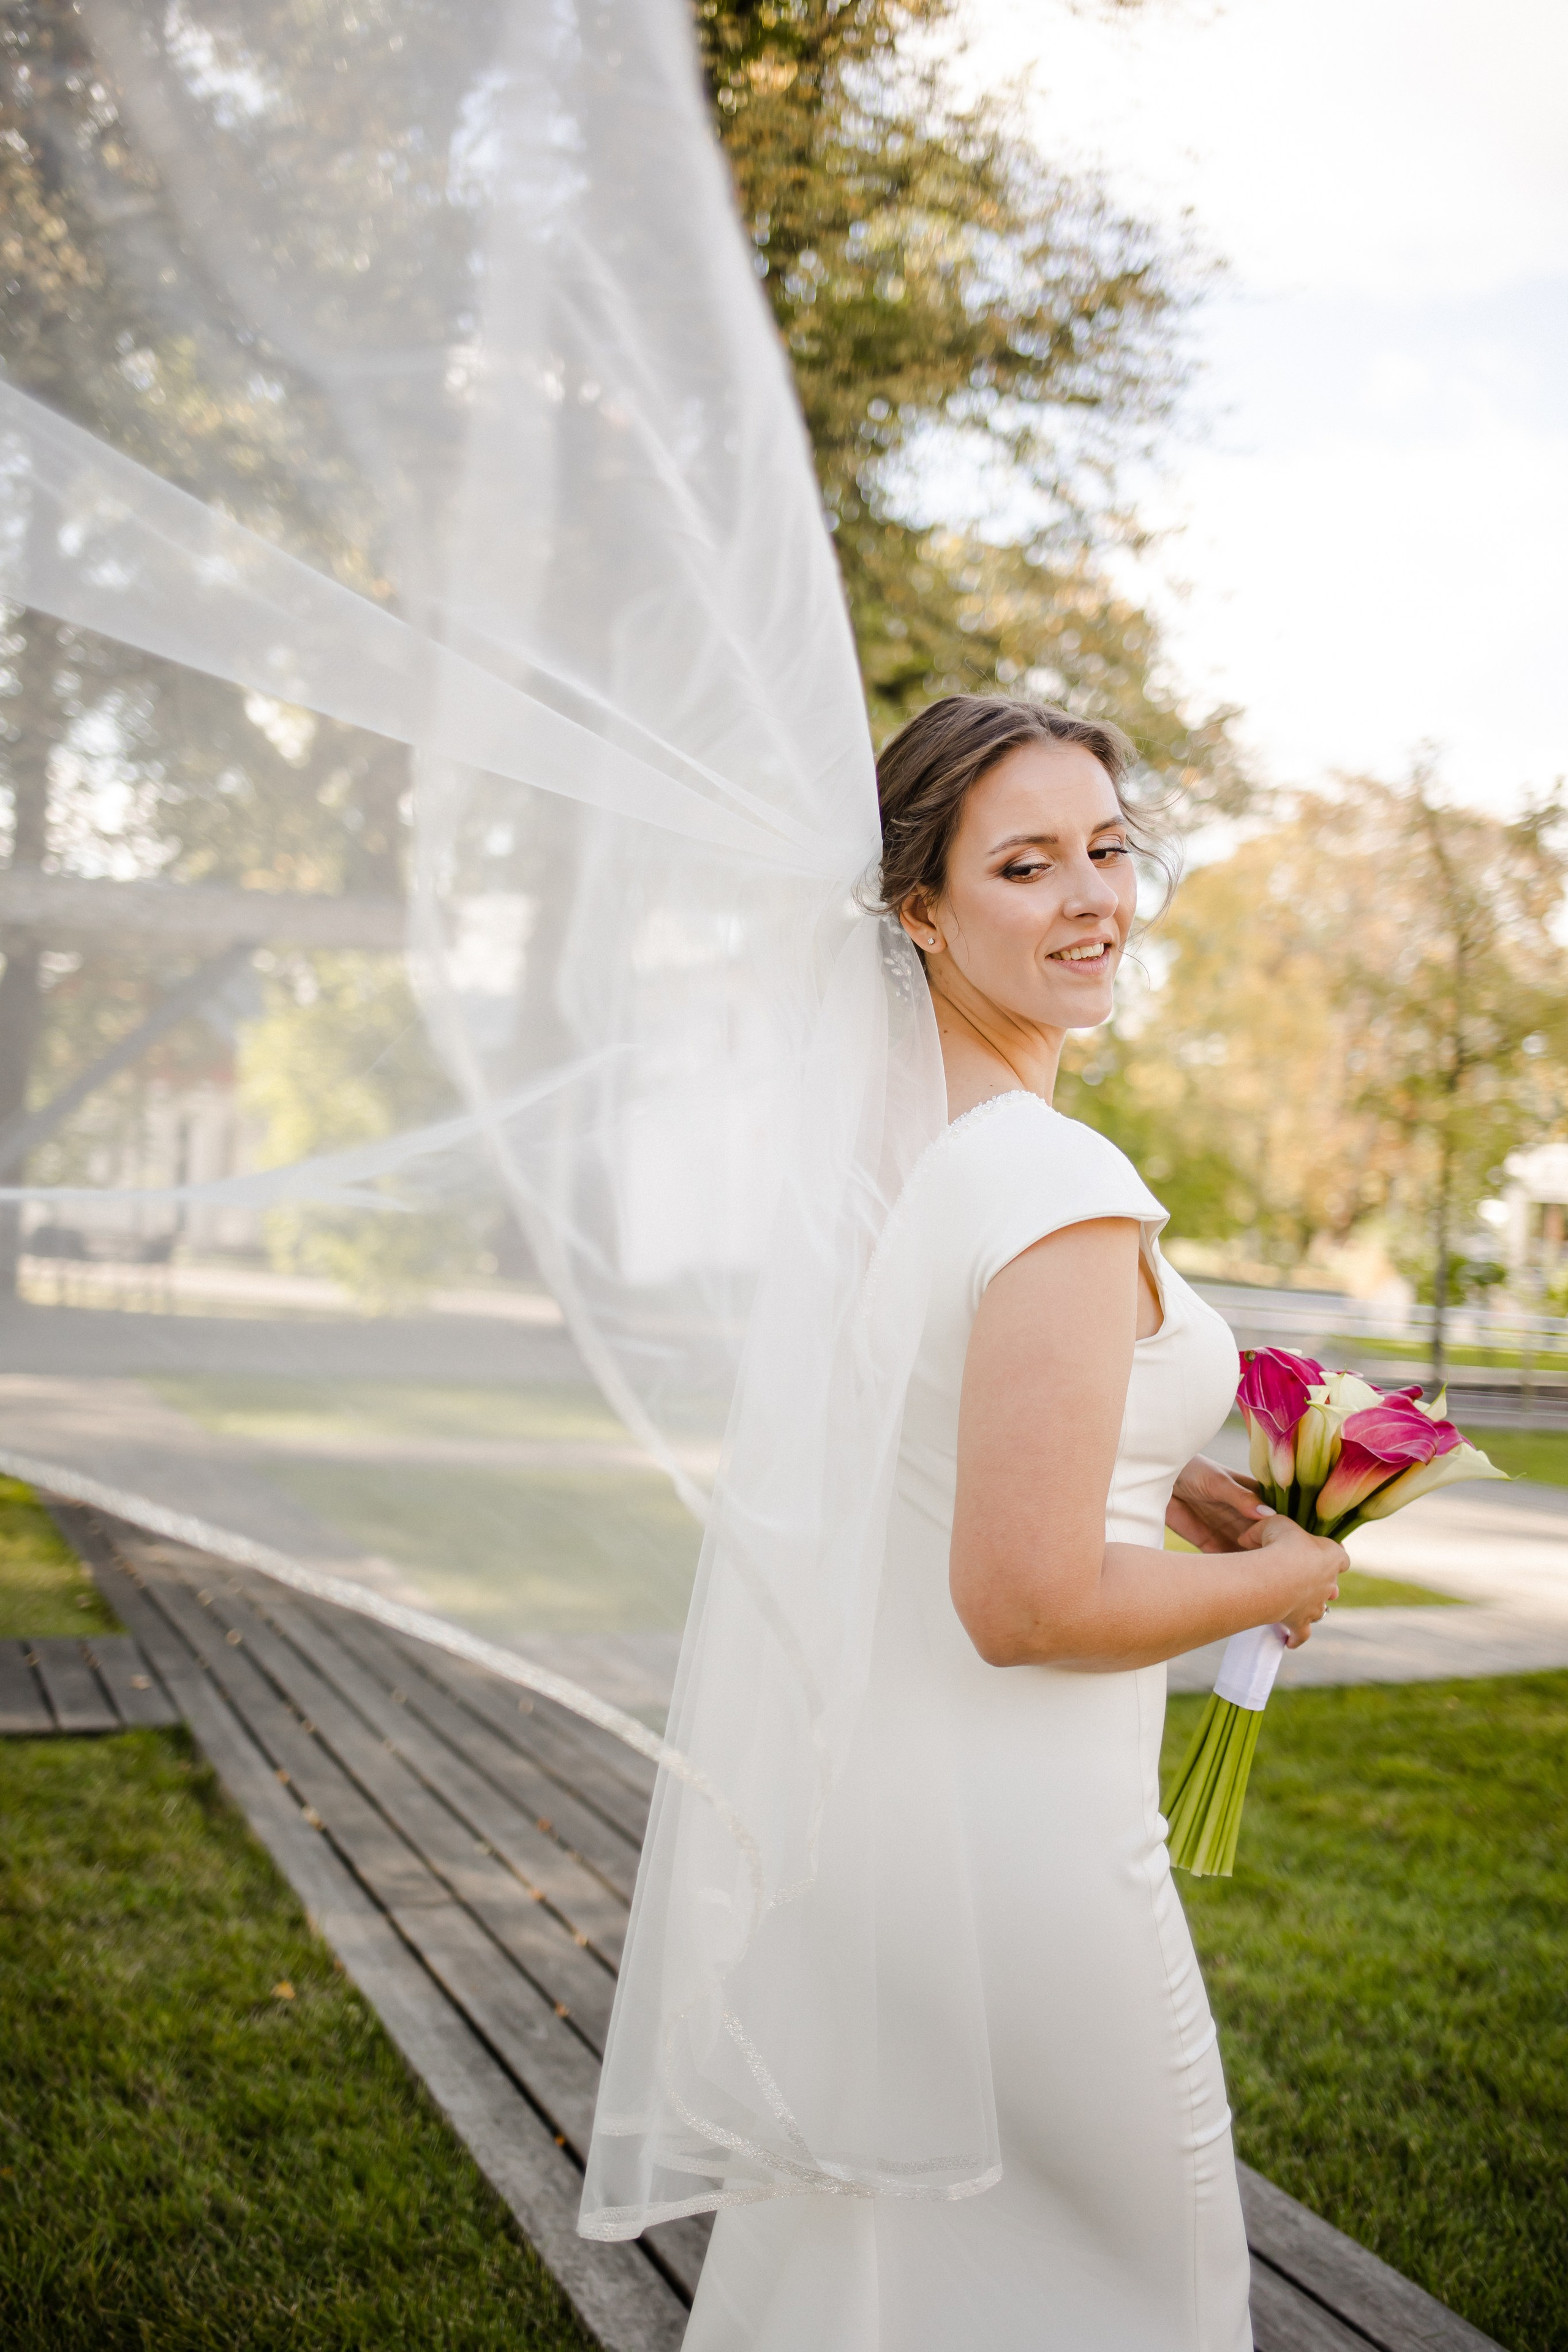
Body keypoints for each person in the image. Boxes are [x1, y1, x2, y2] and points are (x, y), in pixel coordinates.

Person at [680, 695, 1346, 2350]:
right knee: (1148, 2297)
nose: (1091, 898)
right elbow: (1028, 1602)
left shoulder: (897, 1155)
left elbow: (925, 1420)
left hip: (879, 1839)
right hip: (1032, 1864)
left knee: (881, 2291)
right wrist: (1292, 1567)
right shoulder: (1057, 1182)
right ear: (920, 910)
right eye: (1027, 865)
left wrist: (1173, 1480)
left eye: (1107, 850)